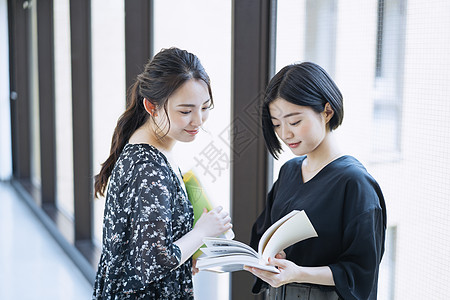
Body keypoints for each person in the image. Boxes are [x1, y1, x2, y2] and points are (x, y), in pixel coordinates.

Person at [92, 47, 232, 300]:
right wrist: (202, 232)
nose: (198, 120)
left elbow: (144, 246)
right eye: (186, 111)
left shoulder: (149, 146)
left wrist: (186, 250)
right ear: (151, 106)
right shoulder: (149, 169)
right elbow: (153, 262)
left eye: (205, 107)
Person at [245, 62, 386, 300]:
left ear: (327, 111)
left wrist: (299, 273)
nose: (285, 134)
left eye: (295, 122)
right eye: (277, 124)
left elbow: (361, 272)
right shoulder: (289, 171)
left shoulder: (355, 183)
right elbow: (263, 235)